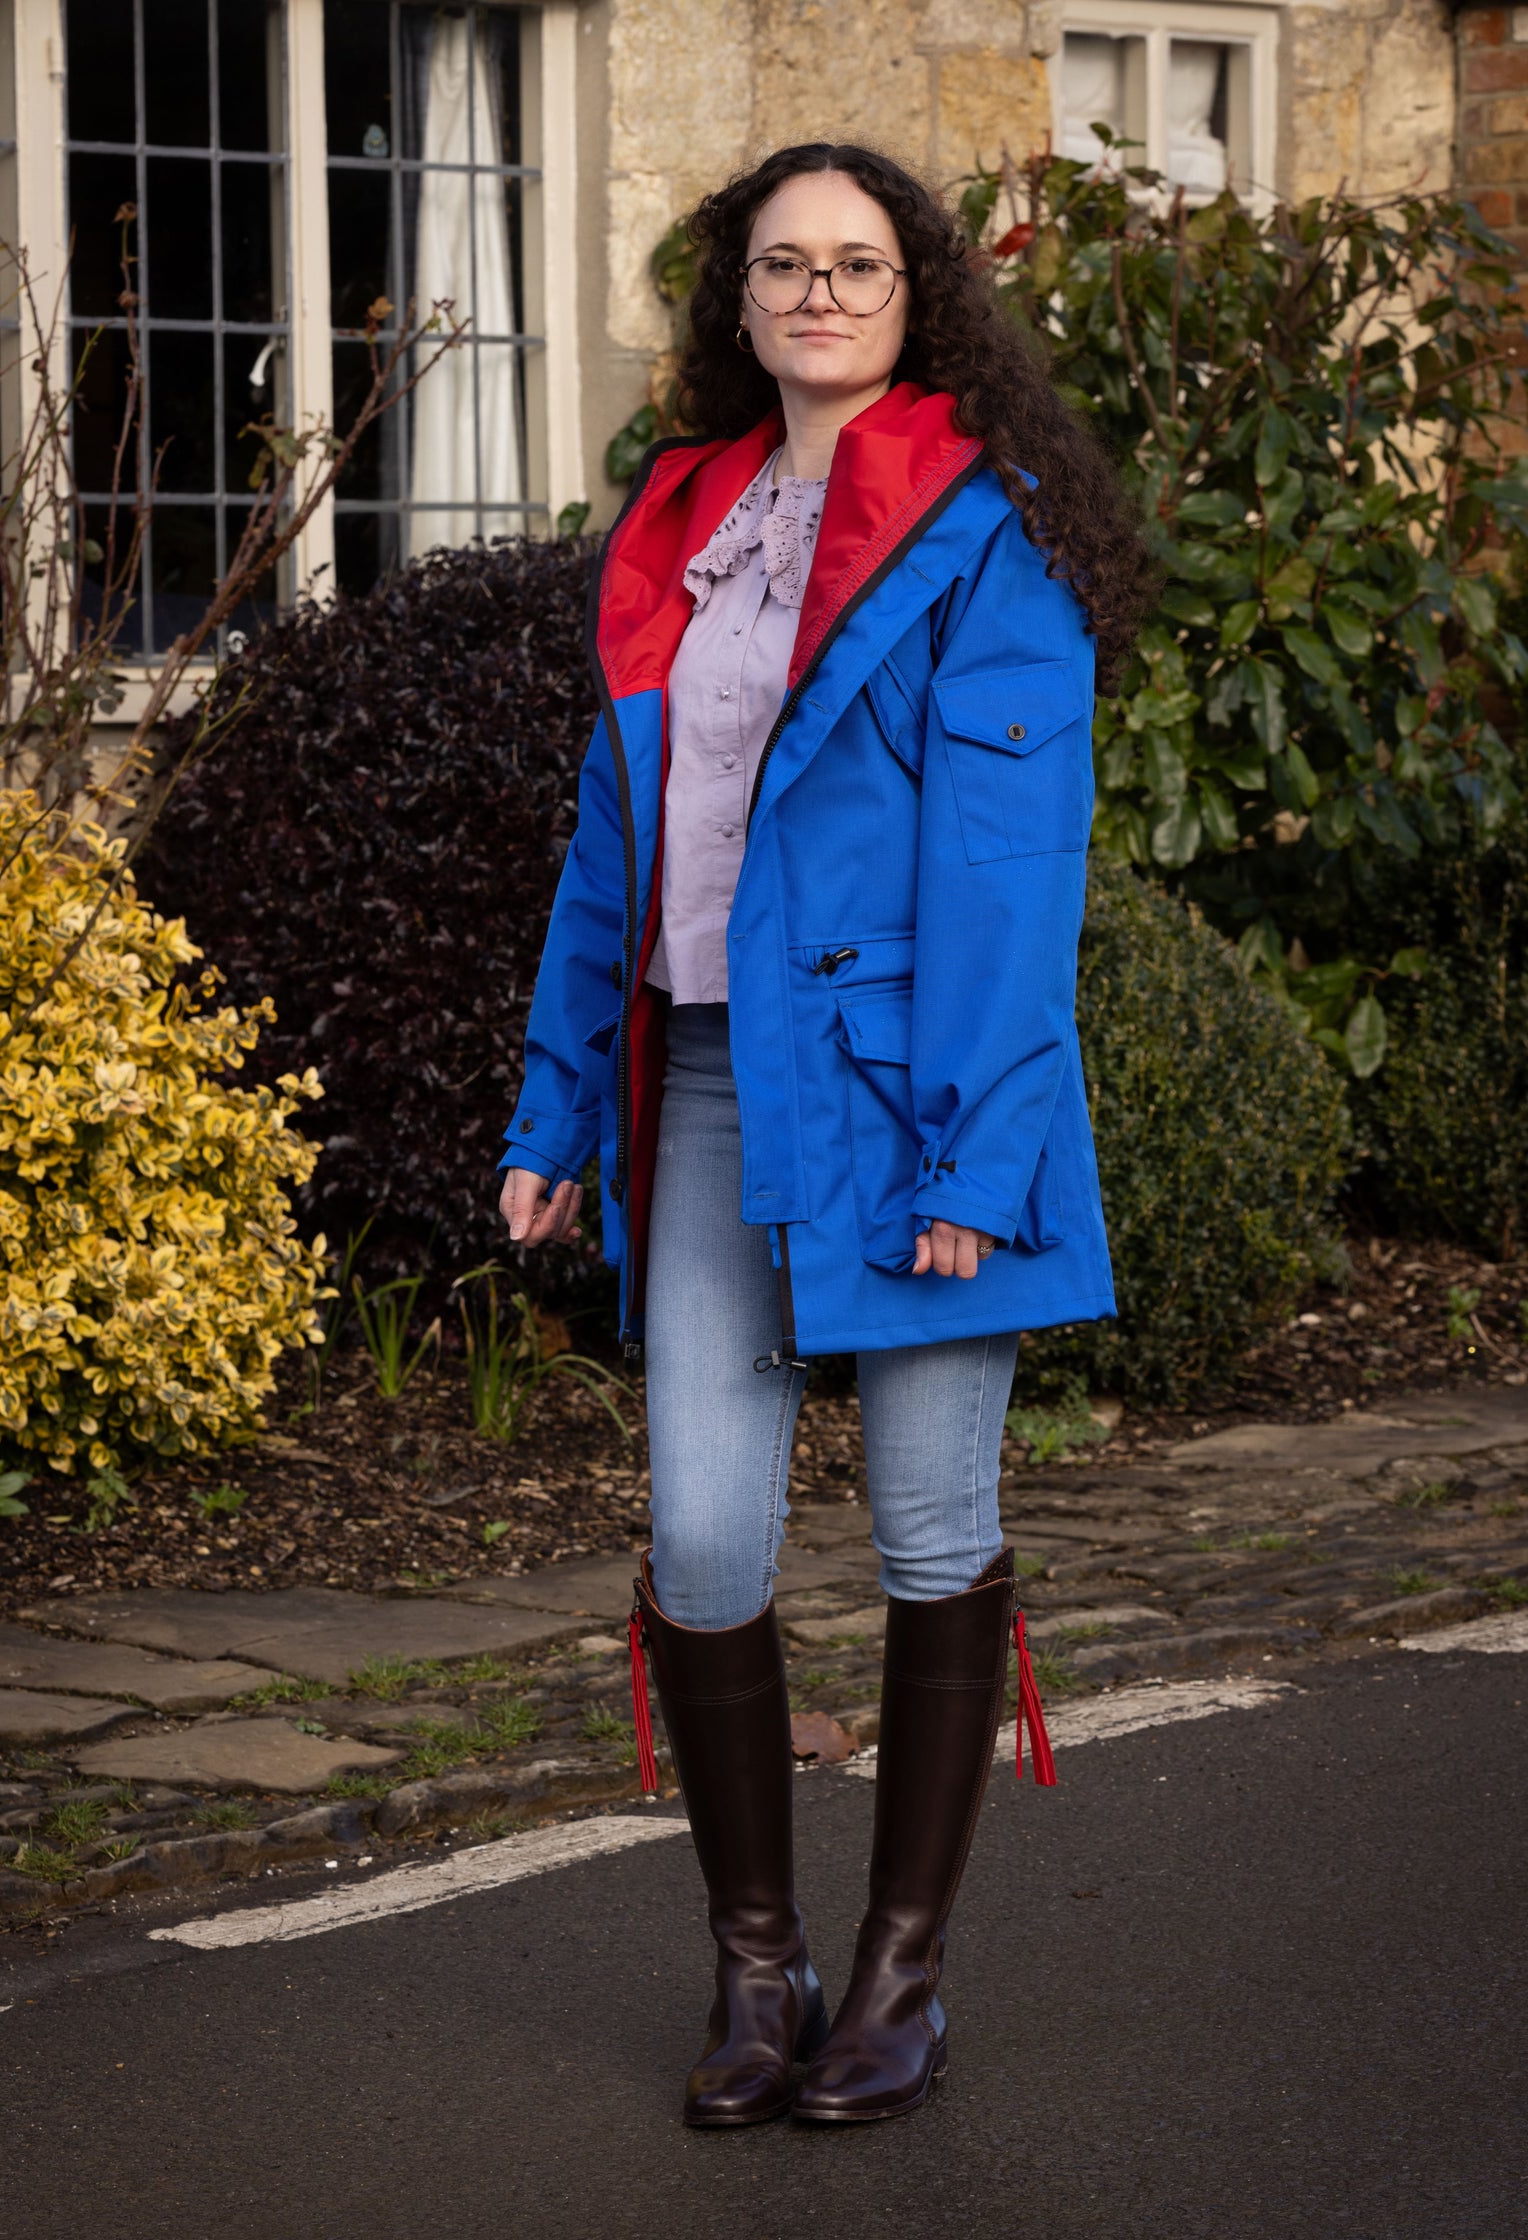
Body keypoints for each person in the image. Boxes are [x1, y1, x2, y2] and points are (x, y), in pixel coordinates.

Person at [496, 142, 1153, 2127]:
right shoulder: (684, 511)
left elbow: (1010, 870)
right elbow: (619, 838)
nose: (816, 294)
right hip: (705, 1080)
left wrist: (975, 1155)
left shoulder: (979, 524)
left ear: (914, 293)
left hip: (909, 1096)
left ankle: (898, 1977)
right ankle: (757, 1966)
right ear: (739, 296)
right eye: (781, 264)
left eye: (855, 264)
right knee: (704, 1540)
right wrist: (556, 1105)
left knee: (929, 1526)